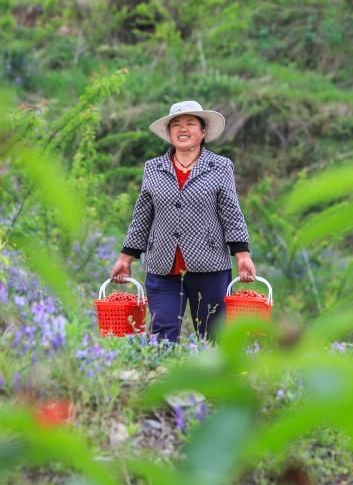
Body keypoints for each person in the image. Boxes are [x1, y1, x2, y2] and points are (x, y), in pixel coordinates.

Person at [109, 100, 256, 343]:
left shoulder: (220, 167)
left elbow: (231, 211)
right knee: (162, 334)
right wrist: (125, 258)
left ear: (204, 131)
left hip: (209, 265)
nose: (182, 129)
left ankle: (213, 380)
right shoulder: (153, 168)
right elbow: (143, 215)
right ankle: (163, 379)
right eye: (176, 124)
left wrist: (242, 255)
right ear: (169, 133)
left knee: (213, 337)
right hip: (162, 266)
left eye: (190, 123)